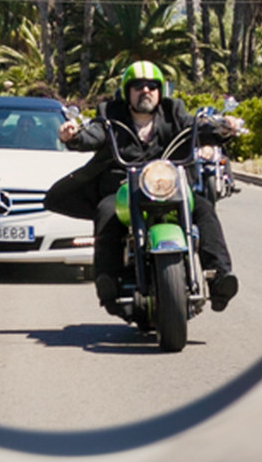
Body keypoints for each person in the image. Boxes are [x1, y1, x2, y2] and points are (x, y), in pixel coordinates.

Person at [45, 61, 244, 315]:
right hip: (124, 188)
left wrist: (224, 128)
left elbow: (199, 128)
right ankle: (107, 280)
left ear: (160, 91)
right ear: (128, 91)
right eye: (138, 86)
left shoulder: (174, 112)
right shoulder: (110, 114)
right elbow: (93, 133)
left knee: (203, 208)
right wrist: (73, 135)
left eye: (152, 86)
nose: (146, 91)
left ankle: (219, 277)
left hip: (168, 187)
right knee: (106, 211)